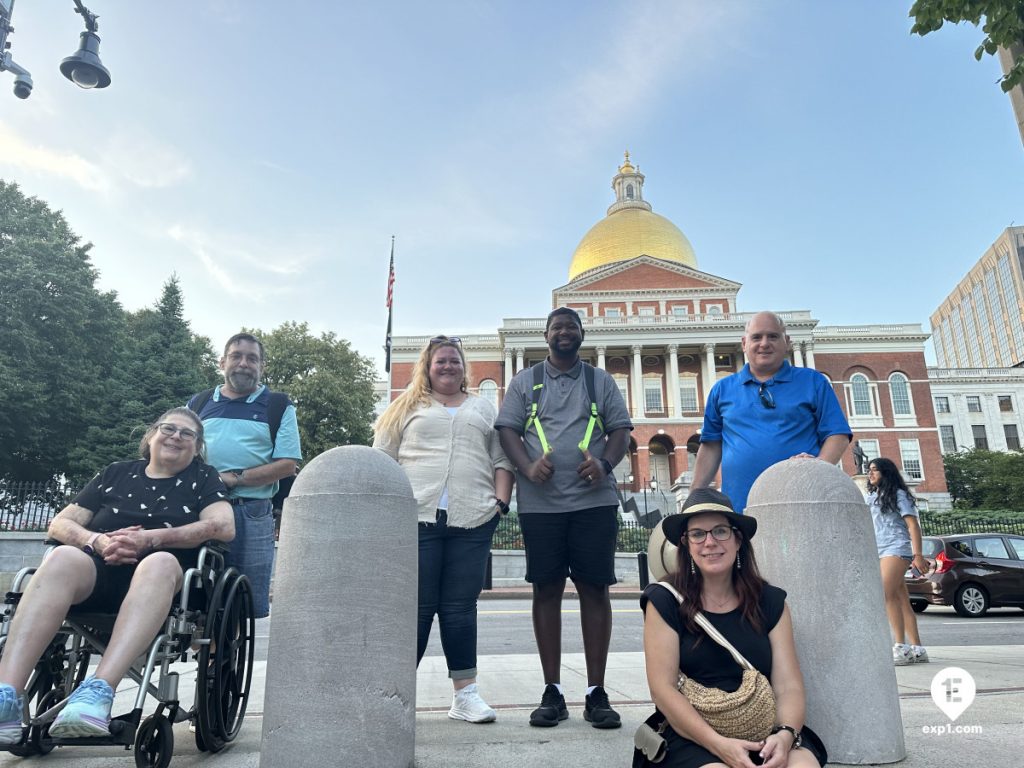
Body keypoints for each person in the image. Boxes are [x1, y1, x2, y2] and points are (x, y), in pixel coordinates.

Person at [0, 408, 234, 743]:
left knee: (158, 563)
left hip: (167, 578)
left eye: (188, 434)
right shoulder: (115, 473)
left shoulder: (205, 478)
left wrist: (151, 539)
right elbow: (60, 524)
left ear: (197, 448)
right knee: (63, 556)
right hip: (100, 569)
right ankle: (6, 696)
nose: (176, 437)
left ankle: (97, 693)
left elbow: (223, 526)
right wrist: (96, 540)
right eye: (168, 428)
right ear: (150, 436)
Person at [496, 307, 633, 729]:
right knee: (546, 591)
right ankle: (552, 690)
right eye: (557, 327)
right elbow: (507, 430)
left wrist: (606, 466)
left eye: (571, 327)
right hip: (542, 506)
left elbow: (621, 431)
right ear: (546, 335)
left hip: (595, 503)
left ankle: (596, 692)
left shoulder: (599, 380)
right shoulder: (526, 381)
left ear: (581, 334)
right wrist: (527, 467)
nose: (564, 333)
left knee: (595, 591)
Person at [373, 335, 514, 723]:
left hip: (473, 517)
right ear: (428, 367)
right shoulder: (406, 407)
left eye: (454, 361)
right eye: (441, 362)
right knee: (416, 610)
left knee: (459, 609)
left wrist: (499, 504)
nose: (448, 367)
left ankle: (465, 695)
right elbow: (383, 460)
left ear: (463, 367)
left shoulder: (482, 408)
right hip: (416, 517)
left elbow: (502, 458)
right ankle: (395, 695)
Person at [639, 488, 820, 768]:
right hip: (691, 732)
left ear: (738, 539)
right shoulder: (664, 600)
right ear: (686, 545)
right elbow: (663, 690)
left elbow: (788, 685)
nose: (709, 542)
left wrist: (784, 736)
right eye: (698, 534)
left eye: (720, 531)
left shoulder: (771, 602)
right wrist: (719, 745)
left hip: (762, 727)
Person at [188, 333, 302, 619]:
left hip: (251, 513)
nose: (244, 363)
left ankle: (225, 661)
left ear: (262, 366)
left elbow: (287, 464)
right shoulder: (199, 403)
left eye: (252, 358)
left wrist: (234, 478)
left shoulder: (277, 405)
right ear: (222, 361)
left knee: (242, 603)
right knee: (193, 595)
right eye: (236, 356)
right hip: (199, 510)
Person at [691, 311, 852, 513]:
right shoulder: (722, 390)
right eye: (756, 337)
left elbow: (837, 435)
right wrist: (694, 496)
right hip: (742, 508)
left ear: (787, 341)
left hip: (803, 502)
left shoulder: (812, 381)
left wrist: (818, 467)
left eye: (773, 336)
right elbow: (711, 447)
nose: (764, 343)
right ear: (744, 343)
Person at [866, 458, 929, 666]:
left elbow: (913, 525)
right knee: (901, 599)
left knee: (886, 593)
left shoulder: (898, 494)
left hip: (897, 547)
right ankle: (918, 649)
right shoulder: (872, 496)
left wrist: (917, 555)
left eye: (875, 470)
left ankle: (900, 647)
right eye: (869, 470)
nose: (870, 473)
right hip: (879, 550)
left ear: (886, 472)